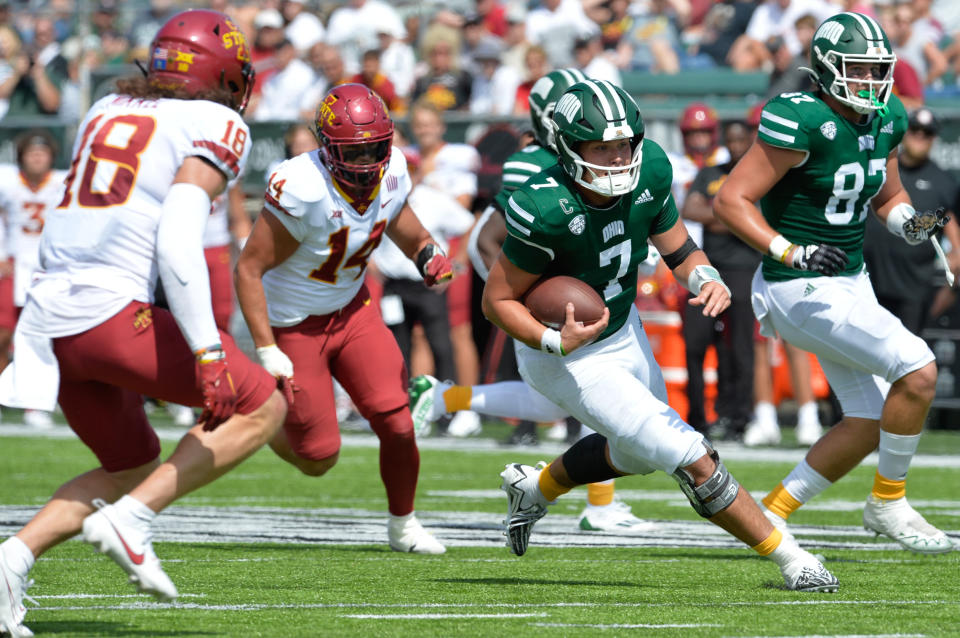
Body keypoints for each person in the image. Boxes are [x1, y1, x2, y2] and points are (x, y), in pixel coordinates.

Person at [485, 77, 837, 592]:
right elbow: (496, 301)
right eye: (600, 148)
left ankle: (534, 488)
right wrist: (557, 341)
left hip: (624, 328)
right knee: (689, 455)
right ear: (567, 148)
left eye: (623, 144)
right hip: (565, 355)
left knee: (634, 455)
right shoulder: (543, 205)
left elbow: (676, 246)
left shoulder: (650, 168)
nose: (615, 158)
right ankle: (793, 559)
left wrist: (705, 276)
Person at [0, 10, 288, 637]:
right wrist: (210, 351)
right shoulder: (215, 120)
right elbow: (178, 238)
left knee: (132, 458)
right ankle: (132, 521)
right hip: (108, 314)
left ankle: (9, 561)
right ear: (222, 76)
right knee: (263, 408)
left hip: (48, 319)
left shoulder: (105, 107)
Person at [714, 12, 953, 554]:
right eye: (858, 69)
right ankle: (888, 503)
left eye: (877, 70)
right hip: (795, 285)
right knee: (917, 370)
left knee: (869, 419)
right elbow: (731, 199)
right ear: (825, 69)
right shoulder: (800, 118)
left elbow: (886, 196)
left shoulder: (887, 116)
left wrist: (910, 225)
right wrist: (789, 250)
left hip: (851, 278)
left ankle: (769, 514)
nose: (870, 81)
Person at [412, 68, 653, 533]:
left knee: (552, 407)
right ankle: (599, 507)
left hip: (587, 297)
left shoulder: (609, 167)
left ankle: (445, 397)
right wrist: (523, 302)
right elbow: (489, 237)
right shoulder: (535, 165)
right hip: (553, 306)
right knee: (599, 396)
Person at [234, 83, 450, 556]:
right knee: (318, 458)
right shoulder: (302, 187)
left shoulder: (393, 169)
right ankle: (261, 418)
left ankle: (404, 525)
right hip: (293, 325)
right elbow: (249, 268)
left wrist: (425, 251)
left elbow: (400, 220)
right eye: (355, 151)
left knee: (396, 421)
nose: (368, 159)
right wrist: (267, 348)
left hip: (352, 312)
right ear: (328, 147)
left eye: (376, 146)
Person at [680, 119, 760, 438]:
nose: (738, 147)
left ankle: (739, 417)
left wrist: (718, 214)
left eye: (743, 140)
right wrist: (733, 214)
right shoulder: (711, 174)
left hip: (745, 268)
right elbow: (689, 209)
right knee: (696, 343)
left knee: (739, 349)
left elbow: (762, 219)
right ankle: (697, 416)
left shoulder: (759, 176)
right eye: (732, 141)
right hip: (710, 269)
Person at [864, 106, 960, 336]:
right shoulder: (881, 168)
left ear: (934, 138)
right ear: (904, 132)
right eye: (914, 129)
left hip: (912, 288)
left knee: (904, 361)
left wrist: (955, 258)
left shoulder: (944, 181)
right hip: (867, 280)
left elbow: (949, 223)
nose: (919, 136)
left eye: (926, 132)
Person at [0, 130, 67, 428]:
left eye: (42, 152)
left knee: (47, 337)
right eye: (31, 152)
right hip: (13, 265)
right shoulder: (7, 180)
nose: (37, 157)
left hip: (50, 267)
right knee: (3, 335)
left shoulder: (64, 182)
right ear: (21, 156)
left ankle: (36, 402)